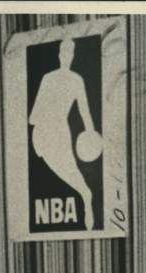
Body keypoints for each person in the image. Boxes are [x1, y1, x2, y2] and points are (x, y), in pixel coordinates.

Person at [28, 38, 98, 230]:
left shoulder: (63, 79)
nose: (67, 56)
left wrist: (90, 134)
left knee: (72, 176)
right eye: (65, 53)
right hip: (48, 132)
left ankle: (86, 198)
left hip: (56, 132)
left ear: (69, 56)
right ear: (62, 55)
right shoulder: (63, 79)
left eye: (68, 53)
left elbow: (85, 112)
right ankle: (86, 197)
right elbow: (34, 118)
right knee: (64, 176)